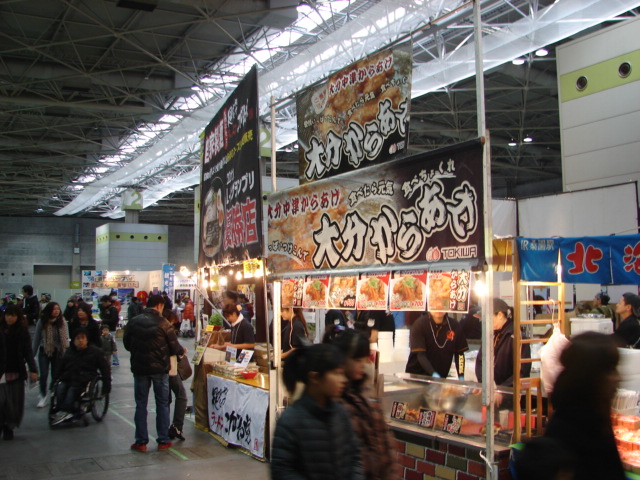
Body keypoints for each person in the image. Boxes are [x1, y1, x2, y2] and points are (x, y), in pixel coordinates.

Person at [270, 343, 364, 480]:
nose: (343, 380)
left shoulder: (341, 413)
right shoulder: (290, 420)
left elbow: (355, 457)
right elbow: (281, 470)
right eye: (336, 373)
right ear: (314, 378)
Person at [543, 332, 625, 480]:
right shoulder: (567, 431)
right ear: (588, 376)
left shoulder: (597, 419)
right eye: (610, 369)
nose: (618, 378)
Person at [329, 329, 399, 480]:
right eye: (357, 360)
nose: (363, 365)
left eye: (365, 360)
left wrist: (391, 472)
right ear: (343, 359)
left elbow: (384, 437)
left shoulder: (368, 390)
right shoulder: (334, 398)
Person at [123, 294, 184, 452]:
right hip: (160, 369)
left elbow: (126, 344)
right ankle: (163, 440)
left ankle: (141, 442)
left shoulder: (134, 321)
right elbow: (174, 347)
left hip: (140, 369)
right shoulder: (164, 323)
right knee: (162, 404)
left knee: (141, 404)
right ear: (159, 305)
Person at [475, 299, 531, 404]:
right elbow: (480, 361)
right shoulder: (489, 335)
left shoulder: (516, 337)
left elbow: (522, 371)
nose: (485, 321)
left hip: (510, 399)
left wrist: (502, 391)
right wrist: (482, 384)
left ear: (500, 315)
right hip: (491, 395)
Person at [51, 328, 111, 425]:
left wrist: (106, 387)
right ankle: (60, 409)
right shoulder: (69, 352)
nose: (81, 341)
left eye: (83, 338)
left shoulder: (95, 352)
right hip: (69, 378)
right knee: (60, 388)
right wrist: (54, 380)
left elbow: (105, 370)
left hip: (84, 379)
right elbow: (60, 367)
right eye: (78, 338)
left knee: (71, 391)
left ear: (87, 339)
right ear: (74, 340)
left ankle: (68, 411)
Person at [0, 304, 38, 440]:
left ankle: (8, 426)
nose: (9, 318)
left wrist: (33, 369)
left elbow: (28, 352)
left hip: (16, 371)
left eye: (13, 315)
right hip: (1, 372)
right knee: (1, 401)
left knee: (14, 403)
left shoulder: (22, 332)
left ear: (18, 317)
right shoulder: (1, 330)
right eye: (7, 315)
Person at [405, 310, 467, 380]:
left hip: (441, 377)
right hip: (416, 376)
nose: (439, 308)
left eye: (443, 305)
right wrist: (433, 374)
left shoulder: (454, 325)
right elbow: (421, 355)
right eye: (434, 305)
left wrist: (461, 375)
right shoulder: (420, 324)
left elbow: (460, 354)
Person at [32, 302, 69, 408]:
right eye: (54, 309)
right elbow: (36, 338)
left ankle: (53, 394)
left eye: (58, 309)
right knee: (43, 374)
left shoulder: (62, 321)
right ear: (49, 310)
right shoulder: (42, 321)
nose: (56, 311)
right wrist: (32, 355)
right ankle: (43, 395)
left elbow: (66, 338)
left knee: (56, 375)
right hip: (45, 351)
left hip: (58, 352)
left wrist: (66, 353)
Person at [162, 309, 188, 442]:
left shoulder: (155, 329)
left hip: (157, 370)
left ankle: (163, 429)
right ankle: (176, 426)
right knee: (181, 395)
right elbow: (175, 348)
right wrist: (181, 352)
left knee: (164, 399)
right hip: (170, 368)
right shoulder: (167, 330)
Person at [99, 295, 120, 366]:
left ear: (107, 301)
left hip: (111, 329)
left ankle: (116, 360)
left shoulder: (113, 309)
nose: (103, 304)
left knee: (112, 345)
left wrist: (104, 321)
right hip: (104, 329)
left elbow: (114, 320)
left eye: (103, 303)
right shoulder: (105, 309)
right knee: (105, 344)